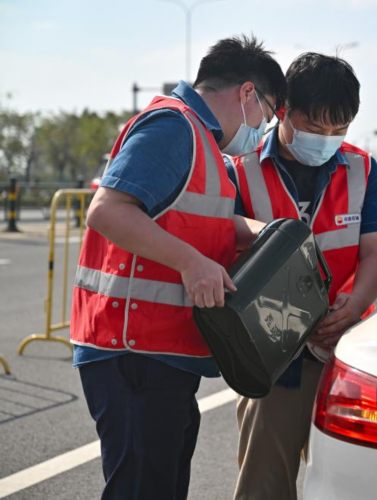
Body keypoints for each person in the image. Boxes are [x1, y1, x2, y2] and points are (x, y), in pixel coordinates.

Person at [69, 35, 285, 500]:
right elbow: (107, 211)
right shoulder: (173, 127)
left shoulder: (208, 147)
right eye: (267, 117)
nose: (263, 131)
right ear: (248, 93)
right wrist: (192, 263)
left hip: (165, 352)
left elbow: (203, 219)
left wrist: (270, 234)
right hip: (133, 353)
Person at [226, 52, 377, 500]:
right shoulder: (238, 169)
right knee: (263, 485)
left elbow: (376, 253)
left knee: (350, 484)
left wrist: (354, 306)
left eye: (340, 130)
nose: (328, 139)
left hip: (341, 349)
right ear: (283, 109)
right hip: (271, 355)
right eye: (317, 127)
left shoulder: (363, 169)